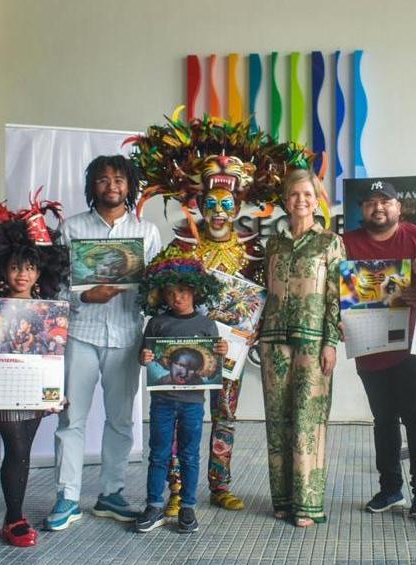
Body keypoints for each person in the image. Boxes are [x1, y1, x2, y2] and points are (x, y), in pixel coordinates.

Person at [46, 155, 161, 530]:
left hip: (127, 336)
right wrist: (83, 297)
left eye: (119, 179)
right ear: (91, 185)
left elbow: (159, 288)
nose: (112, 186)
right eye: (103, 179)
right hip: (80, 333)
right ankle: (67, 497)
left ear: (130, 185)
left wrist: (152, 296)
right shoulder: (71, 228)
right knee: (71, 418)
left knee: (121, 420)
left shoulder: (147, 232)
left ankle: (111, 492)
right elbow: (54, 286)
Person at [149, 155, 266, 515]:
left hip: (228, 352)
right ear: (199, 205)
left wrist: (254, 332)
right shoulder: (181, 247)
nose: (218, 212)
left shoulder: (252, 253)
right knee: (177, 417)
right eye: (211, 204)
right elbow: (154, 292)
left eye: (226, 205)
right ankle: (176, 489)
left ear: (237, 208)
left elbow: (263, 301)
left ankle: (220, 485)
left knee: (225, 416)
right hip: (183, 352)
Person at [0, 202, 71, 547]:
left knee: (24, 452)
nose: (22, 275)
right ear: (3, 268)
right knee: (16, 451)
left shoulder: (49, 307)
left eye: (29, 268)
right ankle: (15, 518)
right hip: (4, 387)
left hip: (36, 388)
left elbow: (54, 353)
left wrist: (56, 388)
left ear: (39, 271)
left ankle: (11, 516)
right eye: (15, 267)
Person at [341, 180, 416, 518]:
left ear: (398, 207)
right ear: (362, 209)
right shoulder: (347, 243)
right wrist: (337, 318)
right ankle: (390, 488)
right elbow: (332, 289)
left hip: (414, 344)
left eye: (385, 201)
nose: (378, 207)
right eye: (371, 202)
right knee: (383, 419)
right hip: (369, 345)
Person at [258, 168, 345, 527]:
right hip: (273, 341)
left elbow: (336, 297)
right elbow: (263, 293)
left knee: (308, 421)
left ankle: (307, 504)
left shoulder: (329, 243)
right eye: (295, 194)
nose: (301, 200)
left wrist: (331, 342)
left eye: (308, 194)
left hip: (313, 341)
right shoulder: (274, 245)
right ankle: (282, 500)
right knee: (278, 421)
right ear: (285, 199)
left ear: (317, 199)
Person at [132, 257, 229, 534]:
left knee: (189, 455)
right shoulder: (156, 323)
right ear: (162, 295)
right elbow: (143, 357)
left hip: (193, 404)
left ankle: (188, 506)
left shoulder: (207, 325)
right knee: (158, 454)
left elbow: (216, 363)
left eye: (183, 292)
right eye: (171, 293)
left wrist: (222, 352)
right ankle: (154, 505)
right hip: (162, 401)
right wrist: (144, 357)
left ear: (195, 292)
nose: (177, 298)